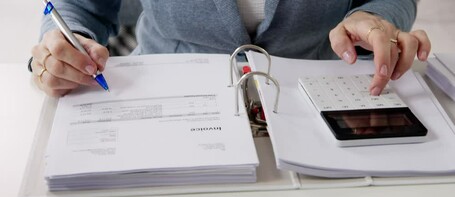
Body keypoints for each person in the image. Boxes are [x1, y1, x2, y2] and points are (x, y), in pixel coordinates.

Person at [30, 0, 431, 97]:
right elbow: (79, 6)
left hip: (316, 93)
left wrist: (374, 16)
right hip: (166, 96)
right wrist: (64, 41)